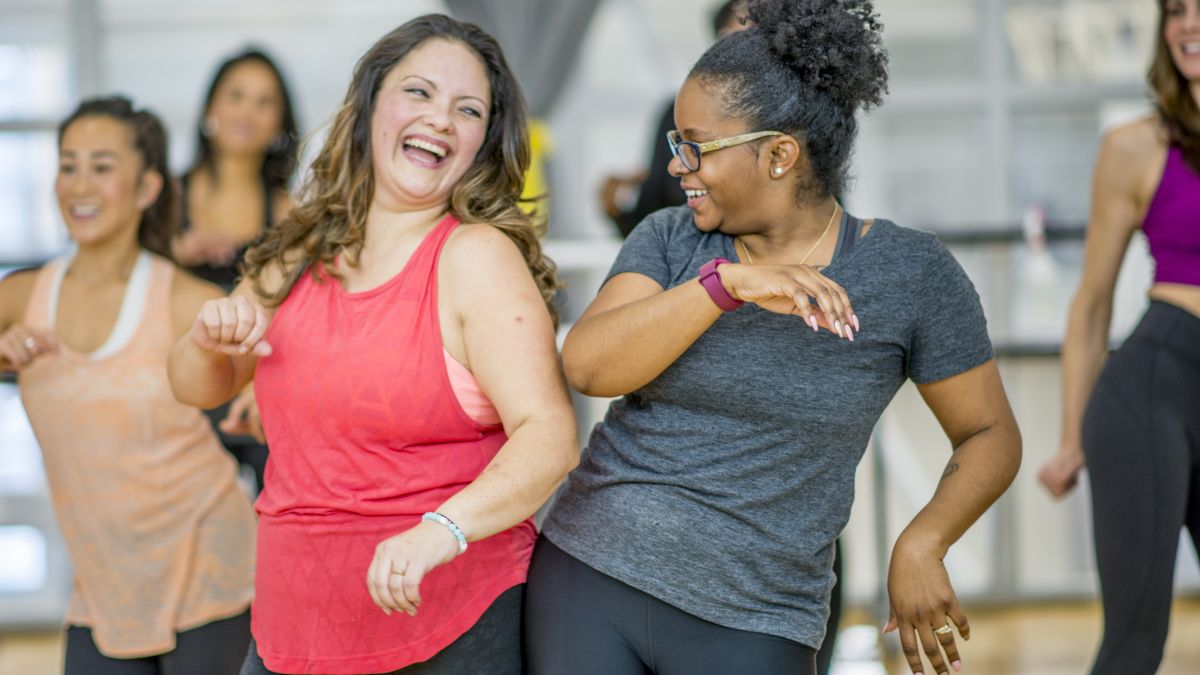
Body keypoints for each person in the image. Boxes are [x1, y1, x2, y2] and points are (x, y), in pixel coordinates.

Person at [525, 2, 1022, 674]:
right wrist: (724, 285)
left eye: (694, 145)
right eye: (677, 143)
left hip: (760, 616)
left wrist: (923, 541)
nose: (677, 166)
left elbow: (990, 433)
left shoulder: (910, 274)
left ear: (780, 154)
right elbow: (587, 363)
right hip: (592, 571)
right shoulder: (671, 240)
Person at [166, 14, 578, 675]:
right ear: (370, 107)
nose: (440, 119)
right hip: (288, 628)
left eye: (466, 109)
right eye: (418, 93)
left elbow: (549, 434)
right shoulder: (300, 250)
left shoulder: (475, 257)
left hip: (447, 626)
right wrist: (205, 338)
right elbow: (195, 386)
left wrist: (443, 529)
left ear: (482, 142)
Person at [0, 96, 256, 674]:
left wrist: (258, 395)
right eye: (68, 165)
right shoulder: (21, 297)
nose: (79, 185)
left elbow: (275, 377)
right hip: (103, 587)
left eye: (101, 166)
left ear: (145, 189)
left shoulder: (188, 300)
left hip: (212, 566)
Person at [1037, 1, 1200, 672]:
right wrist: (1072, 433)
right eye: (1175, 11)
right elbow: (1092, 303)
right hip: (1153, 388)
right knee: (1136, 637)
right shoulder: (1136, 147)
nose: (1187, 24)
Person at [172, 48, 300, 493]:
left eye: (264, 102)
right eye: (237, 96)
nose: (248, 111)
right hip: (175, 386)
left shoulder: (289, 212)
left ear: (280, 124)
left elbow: (298, 315)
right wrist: (173, 251)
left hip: (254, 389)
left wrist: (259, 385)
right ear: (211, 107)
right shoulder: (164, 200)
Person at [598, 1, 746, 238]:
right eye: (728, 39)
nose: (677, 166)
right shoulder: (678, 113)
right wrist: (616, 207)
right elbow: (651, 210)